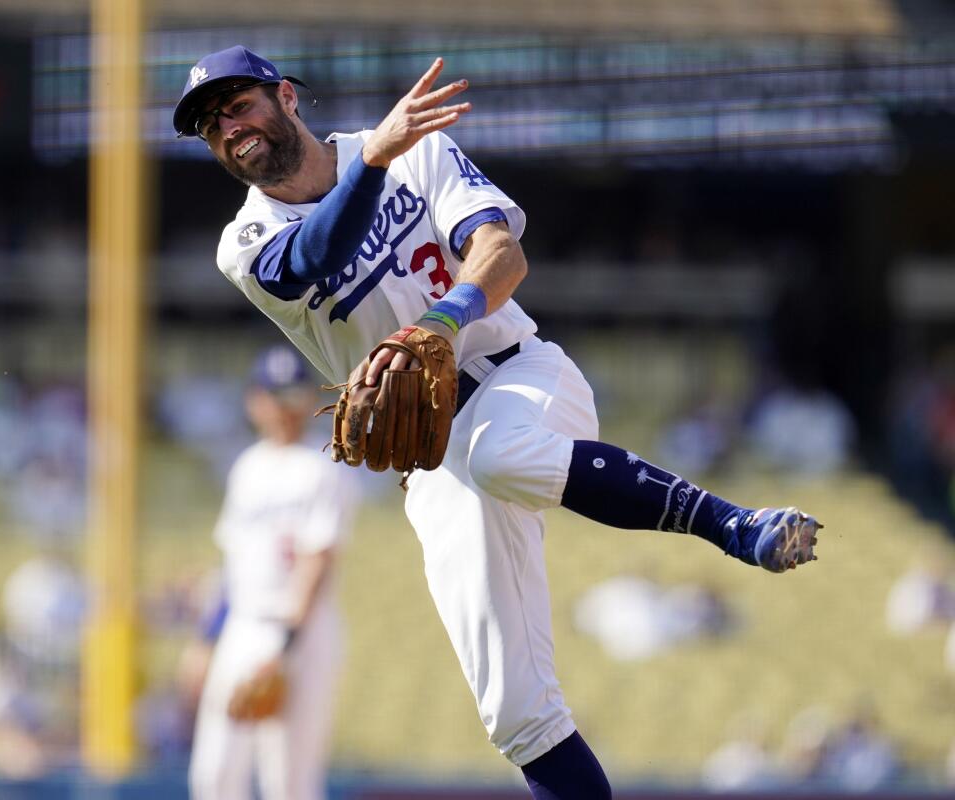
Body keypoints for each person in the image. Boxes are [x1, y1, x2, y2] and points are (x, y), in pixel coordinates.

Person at [173, 46, 822, 799]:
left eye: (239, 104)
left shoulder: (417, 149)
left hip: (518, 373)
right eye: (209, 124)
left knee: (501, 452)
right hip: (433, 453)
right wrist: (374, 161)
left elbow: (501, 254)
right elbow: (315, 255)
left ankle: (731, 525)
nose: (228, 126)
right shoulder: (244, 243)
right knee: (516, 714)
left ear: (285, 96)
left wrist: (445, 319)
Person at [188, 346, 356, 800]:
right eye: (275, 395)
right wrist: (208, 640)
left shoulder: (323, 467)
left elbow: (318, 560)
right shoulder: (246, 467)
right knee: (215, 775)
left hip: (302, 632)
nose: (285, 407)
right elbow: (232, 566)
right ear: (254, 401)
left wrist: (284, 646)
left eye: (294, 395)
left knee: (290, 782)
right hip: (243, 626)